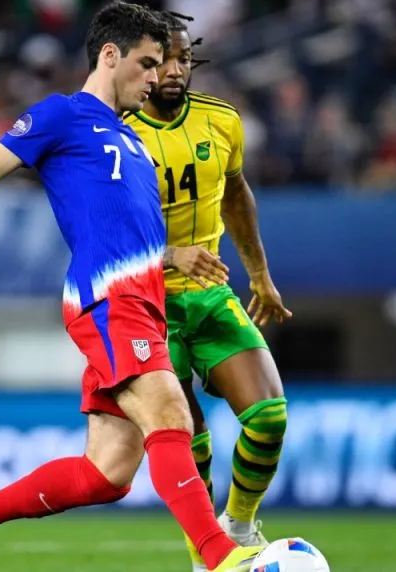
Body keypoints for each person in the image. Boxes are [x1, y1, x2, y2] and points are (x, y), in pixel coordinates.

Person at [0, 3, 264, 572]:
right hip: (107, 300)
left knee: (107, 473)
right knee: (172, 414)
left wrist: (173, 254)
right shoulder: (61, 117)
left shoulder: (131, 144)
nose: (155, 77)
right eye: (147, 64)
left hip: (145, 302)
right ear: (110, 55)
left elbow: (122, 228)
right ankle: (222, 558)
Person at [125, 12, 291, 572]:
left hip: (210, 293)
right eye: (162, 60)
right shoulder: (116, 132)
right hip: (145, 303)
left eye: (183, 59)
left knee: (269, 417)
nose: (175, 71)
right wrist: (169, 256)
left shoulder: (222, 121)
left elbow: (237, 195)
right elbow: (103, 233)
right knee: (186, 433)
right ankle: (206, 553)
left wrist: (260, 274)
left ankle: (237, 526)